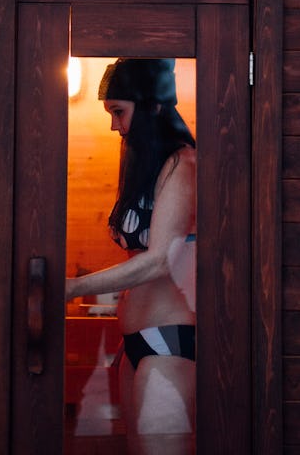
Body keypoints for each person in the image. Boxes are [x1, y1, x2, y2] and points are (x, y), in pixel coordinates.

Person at [66, 58, 197, 455]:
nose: (113, 125)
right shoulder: (149, 166)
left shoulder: (183, 164)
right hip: (137, 342)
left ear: (151, 106)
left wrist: (73, 287)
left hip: (168, 339)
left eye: (118, 112)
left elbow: (160, 260)